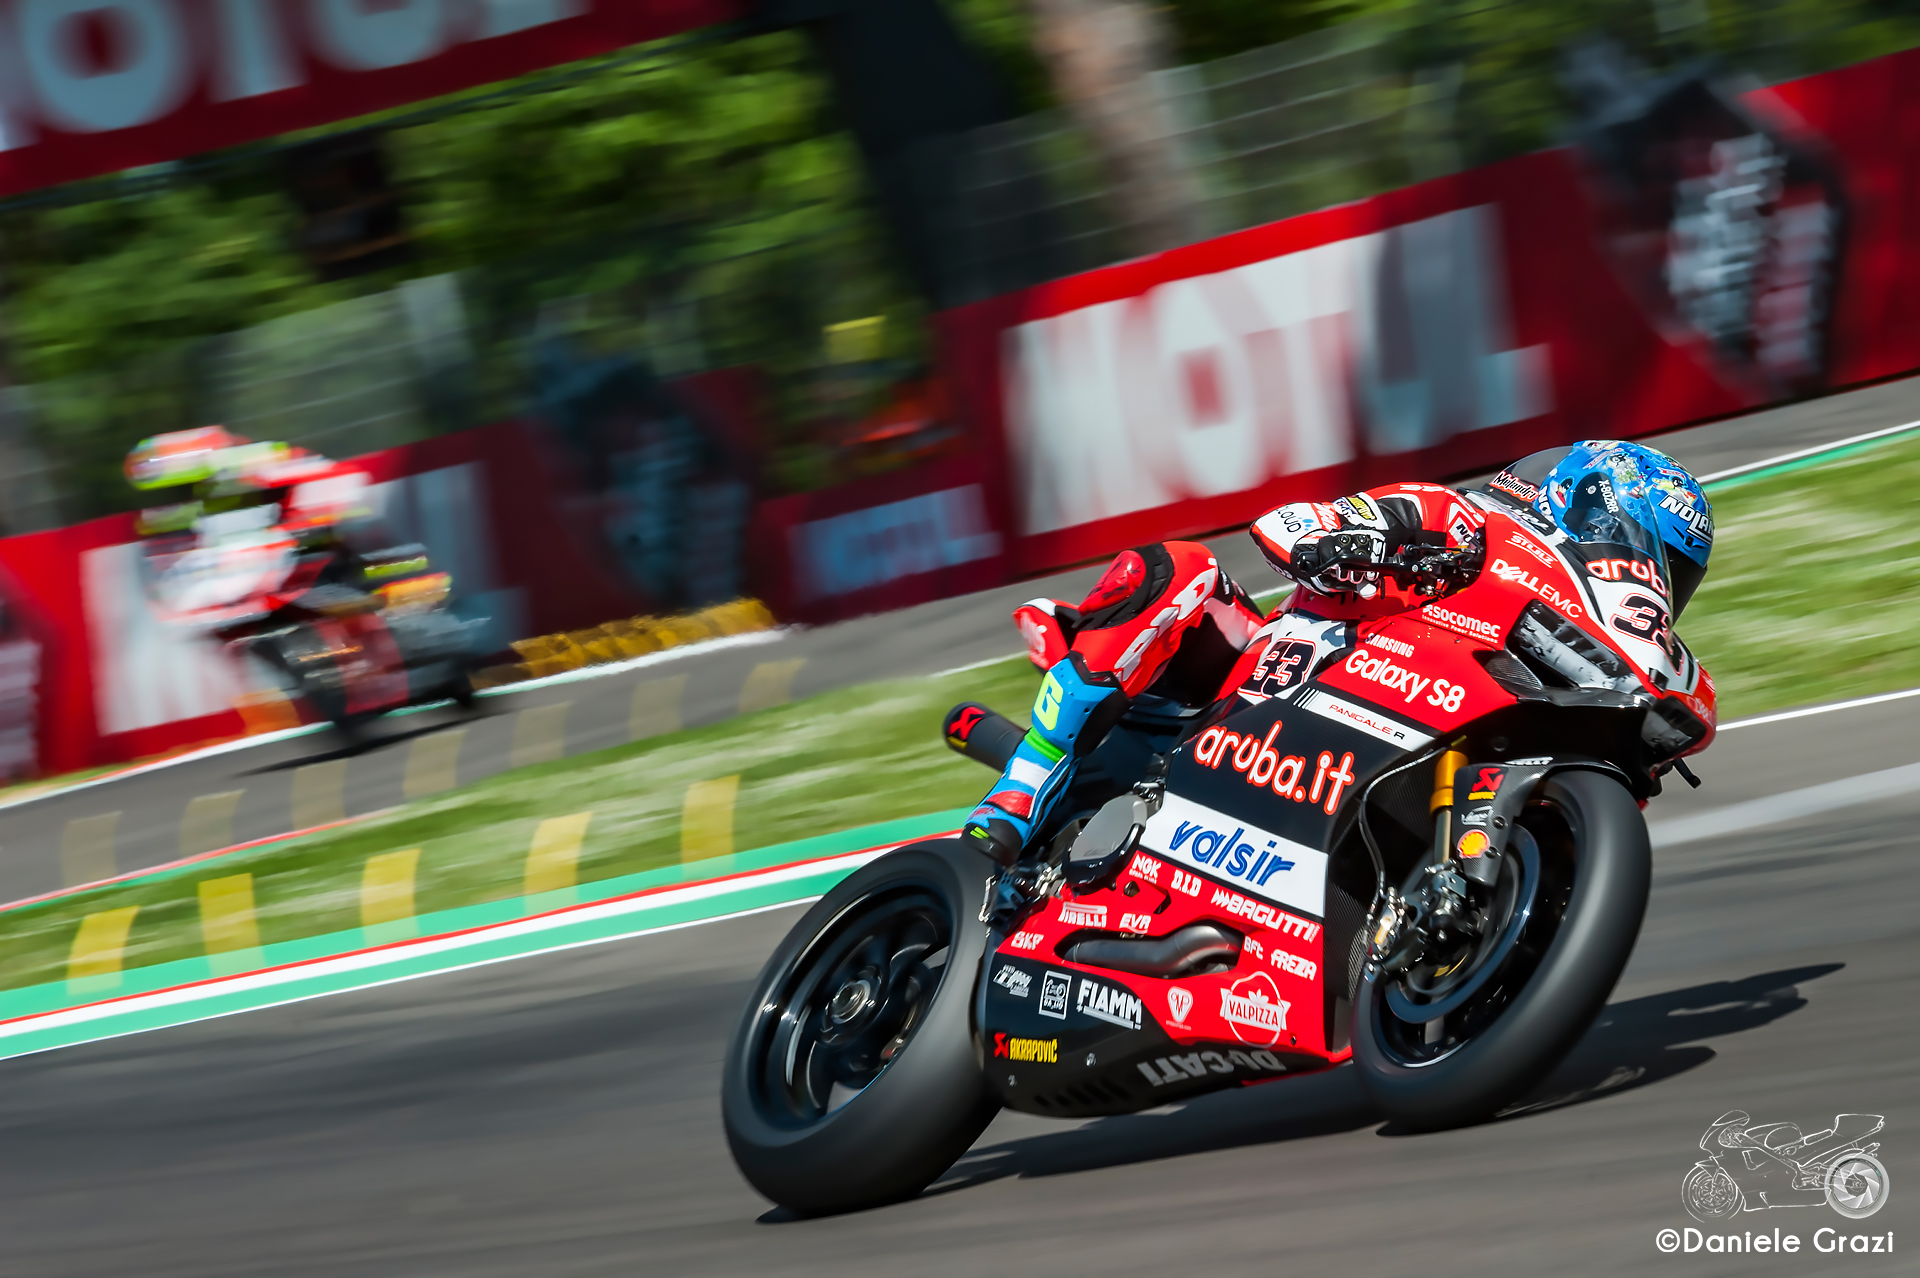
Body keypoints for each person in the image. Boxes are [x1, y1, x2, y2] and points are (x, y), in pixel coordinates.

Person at [961, 439, 1714, 866]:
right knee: (1180, 569)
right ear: (1585, 506)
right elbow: (1287, 527)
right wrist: (1352, 545)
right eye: (1646, 545)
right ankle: (1023, 792)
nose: (1653, 579)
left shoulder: (1626, 649)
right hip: (1247, 702)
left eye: (1674, 574)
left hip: (1396, 751)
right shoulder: (1463, 521)